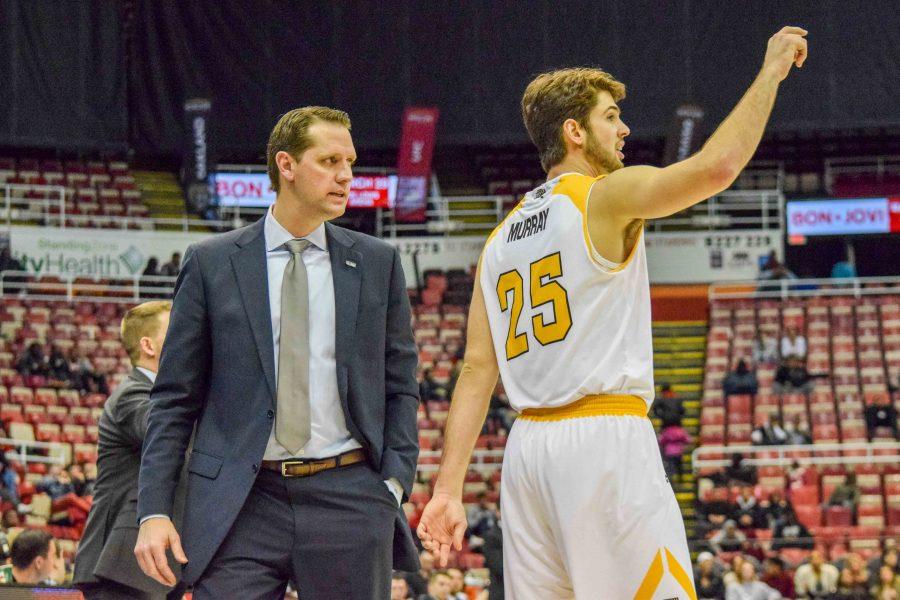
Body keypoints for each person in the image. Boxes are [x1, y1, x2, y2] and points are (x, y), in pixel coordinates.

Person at [418, 28, 810, 598]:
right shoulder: (601, 197)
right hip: (602, 439)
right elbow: (716, 170)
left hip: (525, 457)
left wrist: (448, 488)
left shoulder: (497, 240)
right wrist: (770, 72)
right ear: (574, 132)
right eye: (611, 116)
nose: (624, 128)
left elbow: (478, 371)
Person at [135, 106, 420, 599]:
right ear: (285, 165)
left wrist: (391, 484)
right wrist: (154, 509)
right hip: (241, 502)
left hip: (349, 495)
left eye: (349, 161)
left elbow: (401, 384)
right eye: (329, 160)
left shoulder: (378, 262)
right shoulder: (211, 263)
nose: (346, 175)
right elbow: (174, 398)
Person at [74, 301, 187, 600]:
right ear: (148, 345)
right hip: (119, 565)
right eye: (176, 330)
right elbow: (165, 431)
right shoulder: (130, 395)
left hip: (148, 565)